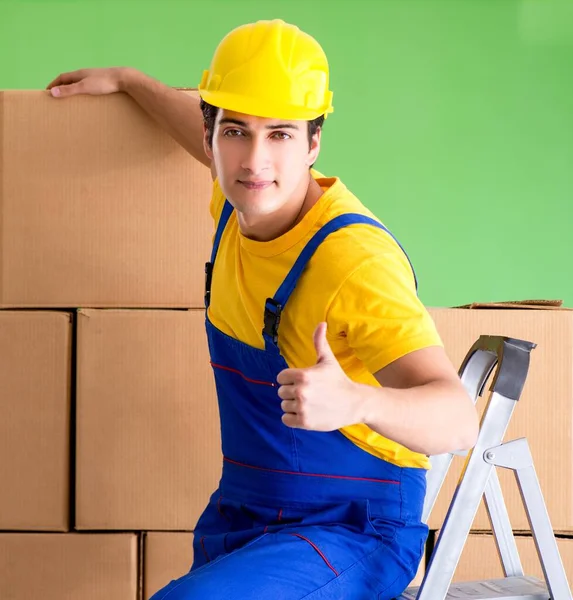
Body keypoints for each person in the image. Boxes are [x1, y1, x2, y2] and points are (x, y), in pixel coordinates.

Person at [47, 18, 478, 599]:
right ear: (210, 137)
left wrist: (356, 399)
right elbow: (197, 120)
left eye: (280, 134)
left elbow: (457, 419)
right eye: (235, 132)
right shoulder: (238, 203)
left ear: (313, 143)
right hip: (249, 516)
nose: (255, 161)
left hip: (353, 531)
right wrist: (129, 80)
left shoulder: (352, 262)